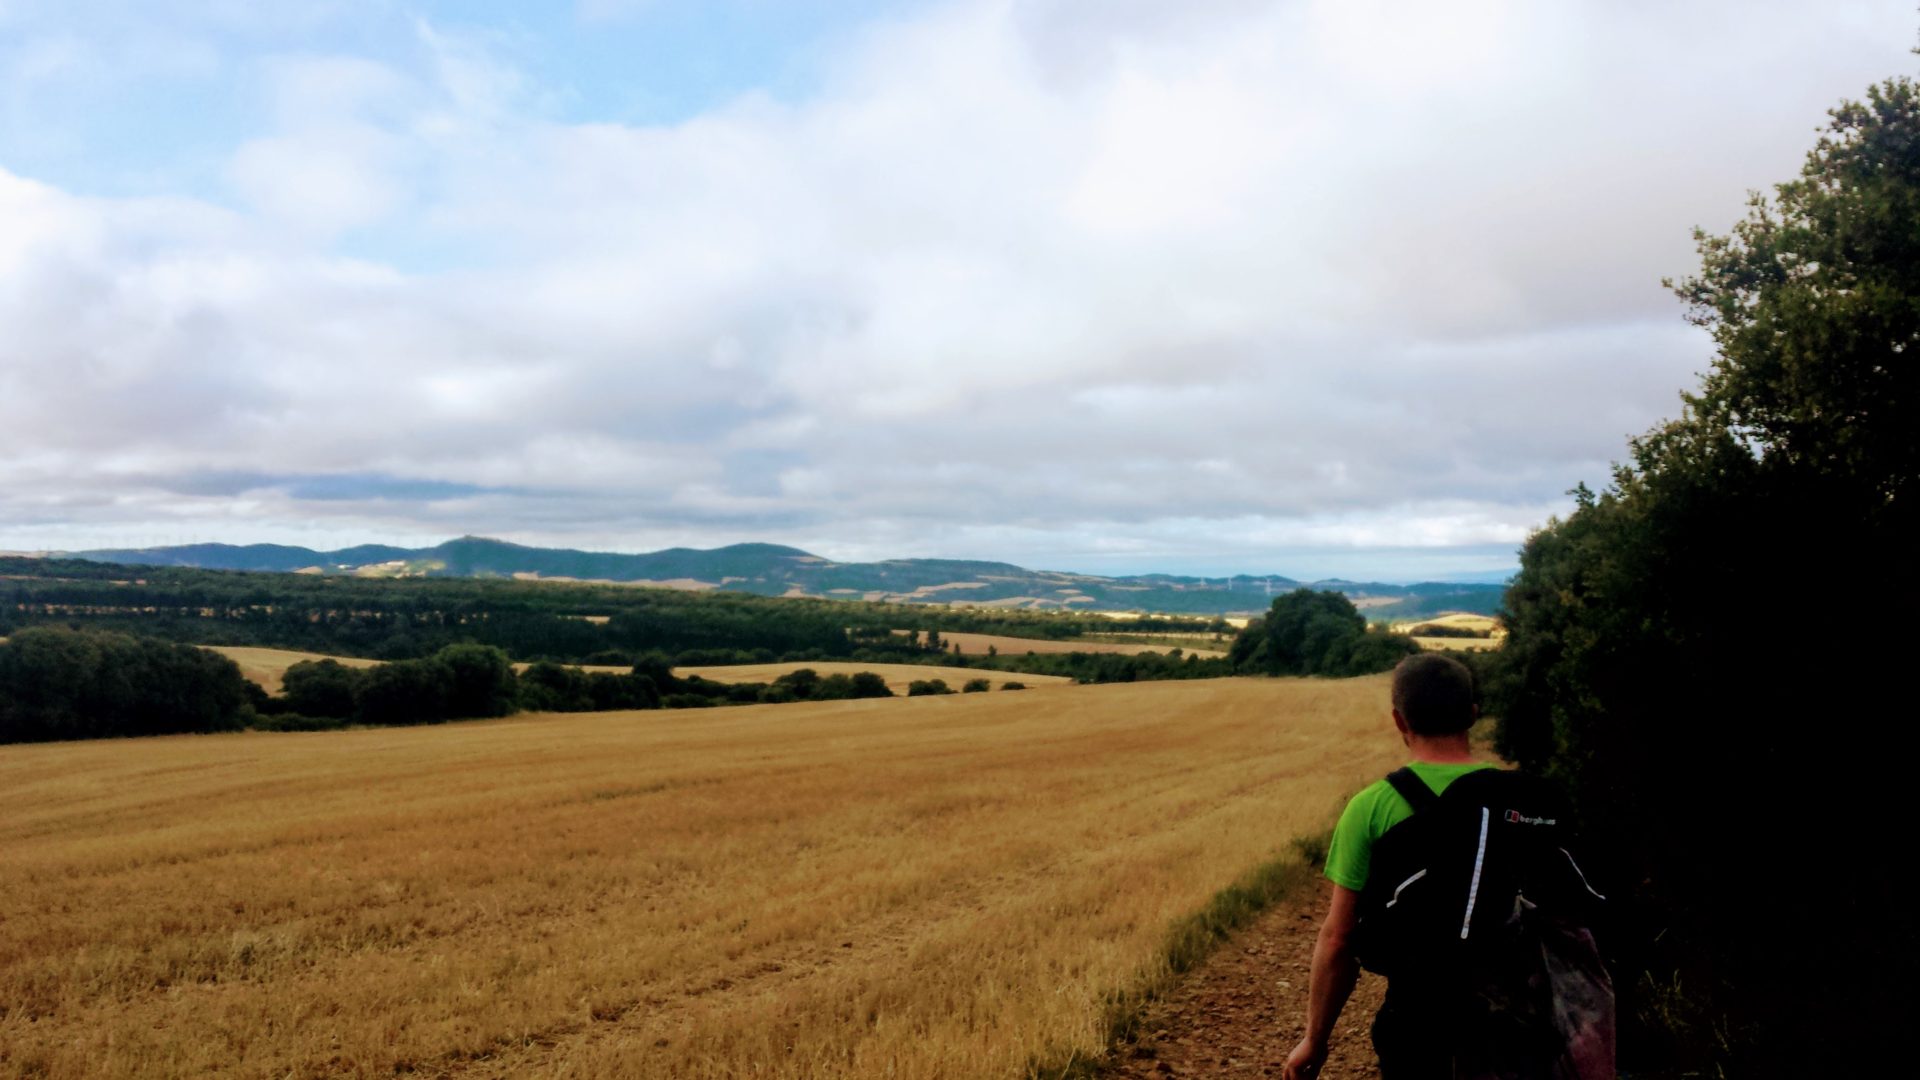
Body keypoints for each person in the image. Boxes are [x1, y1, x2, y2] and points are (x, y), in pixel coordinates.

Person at [1280, 653, 1497, 1080]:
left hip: (1419, 1021)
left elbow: (1340, 939)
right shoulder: (1518, 801)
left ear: (1400, 721)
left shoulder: (1370, 807)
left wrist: (1315, 1040)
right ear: (1472, 715)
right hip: (1519, 1021)